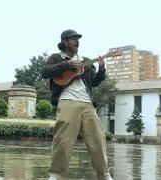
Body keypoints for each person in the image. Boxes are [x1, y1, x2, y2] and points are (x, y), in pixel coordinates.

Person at [42, 29, 113, 180]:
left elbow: (94, 82)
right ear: (65, 42)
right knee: (63, 139)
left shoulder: (85, 61)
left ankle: (104, 175)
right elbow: (45, 71)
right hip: (67, 100)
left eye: (78, 39)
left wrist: (102, 69)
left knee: (98, 139)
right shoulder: (56, 58)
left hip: (87, 103)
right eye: (73, 39)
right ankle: (56, 175)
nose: (77, 41)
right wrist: (67, 64)